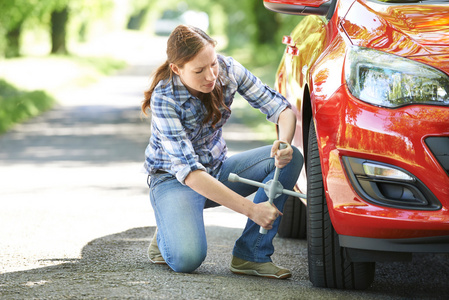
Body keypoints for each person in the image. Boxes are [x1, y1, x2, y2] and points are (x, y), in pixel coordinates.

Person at [141, 25, 303, 279]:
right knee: (187, 259)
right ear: (176, 69)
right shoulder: (164, 97)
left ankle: (251, 254)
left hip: (217, 171)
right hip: (174, 180)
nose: (210, 76)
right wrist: (253, 210)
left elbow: (282, 110)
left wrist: (283, 144)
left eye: (212, 63)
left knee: (292, 157)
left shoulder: (229, 69)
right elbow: (191, 174)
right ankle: (169, 224)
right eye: (199, 70)